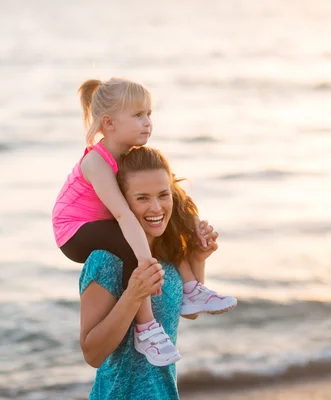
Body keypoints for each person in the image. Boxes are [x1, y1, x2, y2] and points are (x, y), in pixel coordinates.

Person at [52, 78, 237, 366]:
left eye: (149, 114)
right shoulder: (96, 162)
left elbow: (187, 314)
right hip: (74, 231)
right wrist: (144, 261)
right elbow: (125, 215)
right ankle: (146, 327)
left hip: (163, 391)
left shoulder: (129, 159)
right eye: (138, 115)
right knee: (131, 243)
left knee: (173, 194)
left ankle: (192, 288)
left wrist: (196, 247)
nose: (148, 122)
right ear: (109, 123)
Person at [79, 146, 221, 399]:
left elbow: (190, 313)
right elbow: (93, 354)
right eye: (142, 198)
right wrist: (133, 295)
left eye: (163, 195)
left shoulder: (169, 254)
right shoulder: (105, 261)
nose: (156, 208)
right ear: (122, 202)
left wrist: (198, 258)